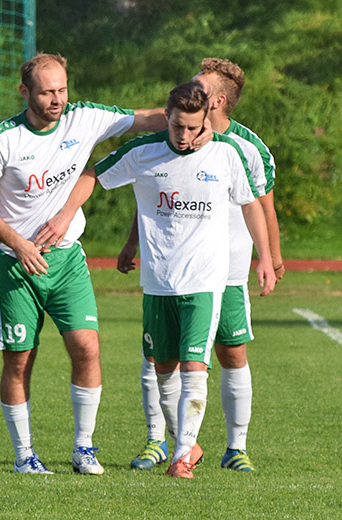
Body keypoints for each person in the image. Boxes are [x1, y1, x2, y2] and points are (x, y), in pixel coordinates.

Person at [0, 53, 210, 475]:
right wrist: (18, 244)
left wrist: (202, 125)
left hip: (67, 261)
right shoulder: (3, 139)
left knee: (87, 346)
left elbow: (148, 118)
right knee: (20, 359)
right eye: (47, 92)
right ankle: (25, 454)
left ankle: (84, 448)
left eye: (62, 89)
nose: (57, 99)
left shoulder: (85, 118)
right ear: (25, 93)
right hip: (16, 264)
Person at [38, 81, 276, 478]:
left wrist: (265, 257)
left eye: (192, 128)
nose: (183, 136)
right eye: (177, 126)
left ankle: (182, 456)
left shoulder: (226, 153)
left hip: (206, 280)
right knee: (163, 369)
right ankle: (188, 441)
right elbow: (93, 176)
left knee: (194, 365)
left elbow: (251, 205)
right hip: (159, 280)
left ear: (206, 122)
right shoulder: (142, 152)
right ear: (167, 117)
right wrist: (64, 217)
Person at [122, 58, 283, 473]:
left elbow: (262, 205)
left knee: (231, 353)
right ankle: (160, 441)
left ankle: (236, 447)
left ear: (220, 100)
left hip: (225, 272)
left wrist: (271, 259)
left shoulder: (246, 147)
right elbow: (156, 194)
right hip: (171, 270)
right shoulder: (172, 137)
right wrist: (132, 241)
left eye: (201, 87)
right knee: (160, 359)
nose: (190, 91)